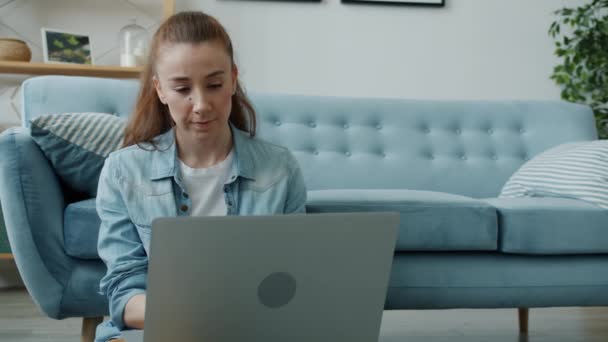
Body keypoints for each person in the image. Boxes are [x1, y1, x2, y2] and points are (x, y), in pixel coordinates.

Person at [95, 11, 307, 341]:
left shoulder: (280, 168)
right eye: (182, 89)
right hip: (162, 329)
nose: (201, 105)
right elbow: (124, 293)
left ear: (233, 80)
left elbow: (295, 280)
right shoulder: (122, 171)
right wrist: (198, 320)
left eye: (214, 85)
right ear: (160, 90)